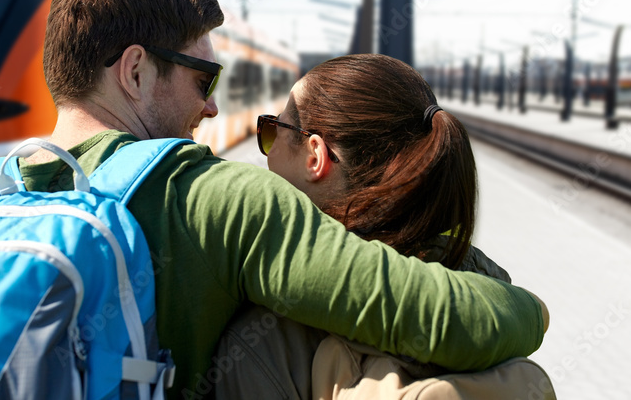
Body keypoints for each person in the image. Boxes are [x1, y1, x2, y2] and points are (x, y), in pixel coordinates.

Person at [0, 0, 548, 398]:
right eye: (203, 79)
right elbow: (437, 316)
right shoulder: (221, 200)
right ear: (135, 72)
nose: (210, 106)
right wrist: (533, 311)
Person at [215, 54, 553, 399]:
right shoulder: (488, 291)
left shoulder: (264, 338)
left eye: (273, 130)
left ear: (315, 156)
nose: (266, 151)